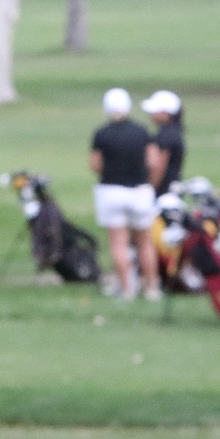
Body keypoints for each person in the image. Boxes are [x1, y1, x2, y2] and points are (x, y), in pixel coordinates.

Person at [90, 88, 159, 300]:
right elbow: (152, 160)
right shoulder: (141, 131)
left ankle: (127, 288)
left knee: (118, 243)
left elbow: (95, 164)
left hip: (112, 191)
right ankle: (151, 288)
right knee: (145, 241)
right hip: (139, 191)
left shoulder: (102, 134)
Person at [142, 90, 185, 196]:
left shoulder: (166, 135)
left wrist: (150, 189)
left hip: (164, 192)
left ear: (166, 113)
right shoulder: (173, 132)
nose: (151, 114)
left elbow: (159, 167)